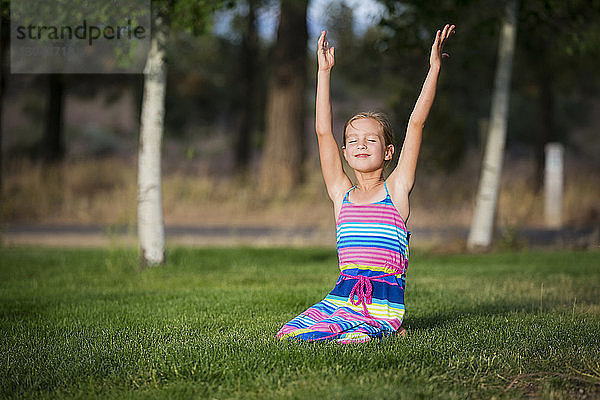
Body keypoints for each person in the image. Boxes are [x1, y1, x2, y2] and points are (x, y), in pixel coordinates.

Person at [276, 24, 456, 343]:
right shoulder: (340, 194)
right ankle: (353, 325)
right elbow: (322, 132)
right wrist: (324, 71)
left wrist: (434, 68)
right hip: (343, 300)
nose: (360, 145)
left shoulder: (396, 190)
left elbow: (416, 123)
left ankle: (388, 327)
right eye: (353, 140)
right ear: (344, 152)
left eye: (370, 140)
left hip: (382, 305)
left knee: (353, 339)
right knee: (290, 334)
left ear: (388, 152)